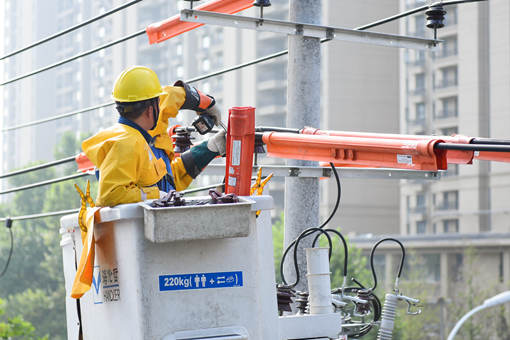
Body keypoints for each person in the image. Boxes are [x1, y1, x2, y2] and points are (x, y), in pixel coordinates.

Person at [81, 66, 226, 207]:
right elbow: (111, 194)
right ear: (150, 110)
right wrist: (156, 195)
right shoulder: (127, 143)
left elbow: (167, 180)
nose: (161, 104)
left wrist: (209, 149)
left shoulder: (141, 139)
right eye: (158, 101)